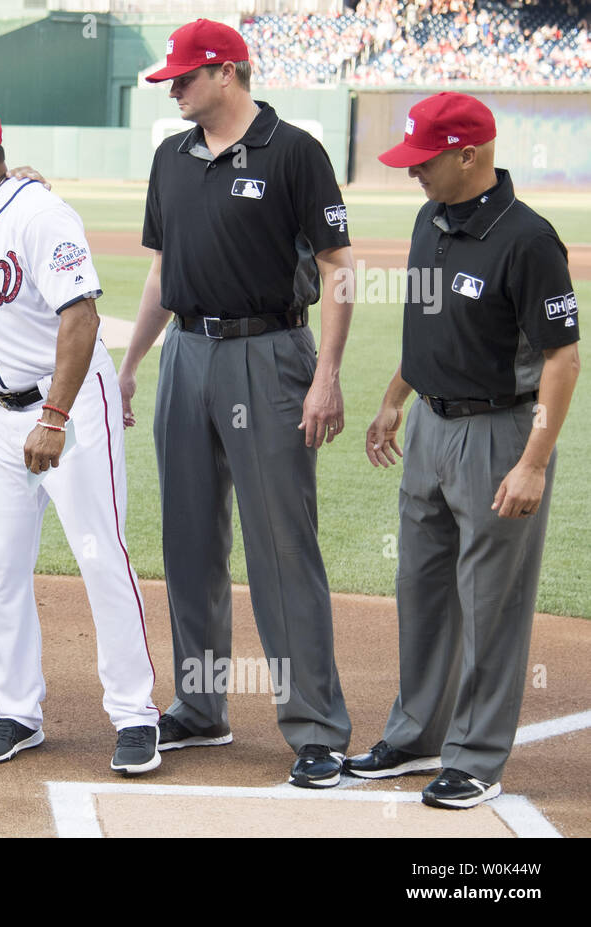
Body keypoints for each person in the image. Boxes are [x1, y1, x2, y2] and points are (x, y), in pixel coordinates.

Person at [117, 19, 355, 788]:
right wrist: (130, 365)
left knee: (282, 547)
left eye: (186, 77)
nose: (175, 89)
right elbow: (160, 274)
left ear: (227, 73)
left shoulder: (295, 152)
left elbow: (339, 269)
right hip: (186, 353)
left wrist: (327, 375)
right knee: (188, 540)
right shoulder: (171, 156)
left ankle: (316, 727)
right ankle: (199, 704)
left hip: (271, 355)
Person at [0, 95, 163, 775]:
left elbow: (81, 317)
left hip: (69, 408)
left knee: (100, 552)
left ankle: (135, 713)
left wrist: (54, 415)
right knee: (4, 563)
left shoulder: (43, 215)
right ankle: (18, 709)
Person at [347, 92, 580, 809]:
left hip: (497, 434)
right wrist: (394, 398)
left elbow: (564, 360)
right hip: (428, 430)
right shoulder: (429, 220)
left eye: (425, 160)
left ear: (469, 155)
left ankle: (476, 755)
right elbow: (430, 331)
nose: (413, 172)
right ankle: (416, 732)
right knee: (421, 589)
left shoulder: (530, 239)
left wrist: (534, 460)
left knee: (491, 602)